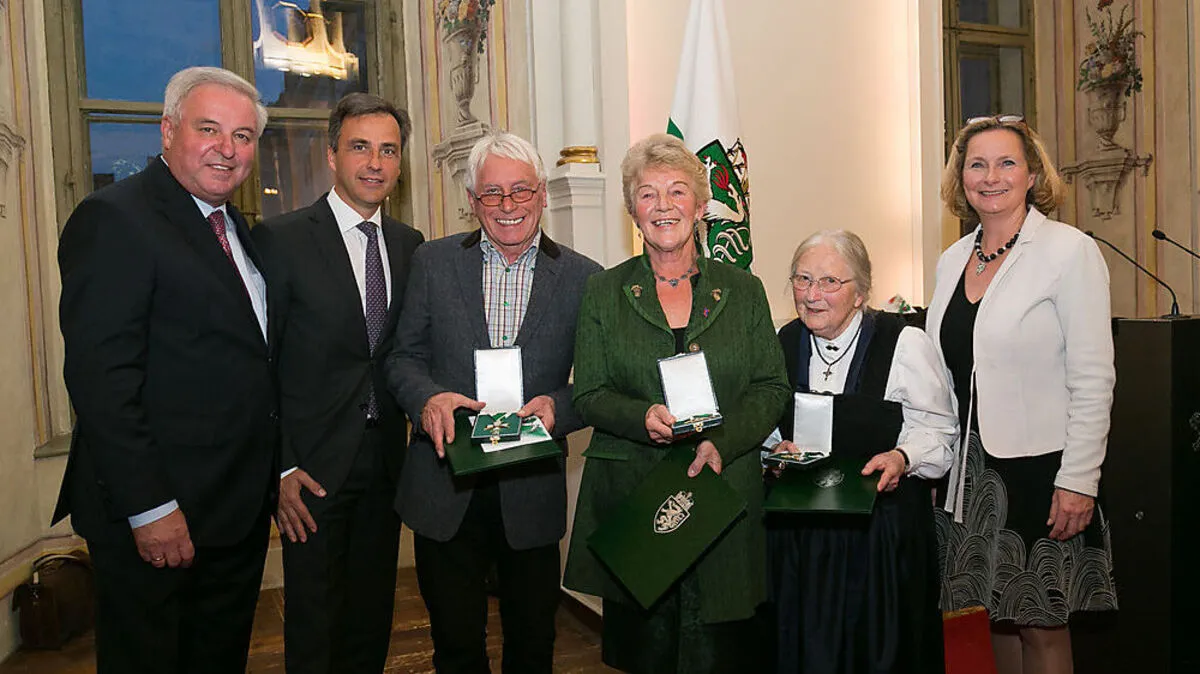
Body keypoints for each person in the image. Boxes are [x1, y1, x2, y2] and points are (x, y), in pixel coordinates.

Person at [54, 66, 275, 673]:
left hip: (232, 514)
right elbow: (103, 383)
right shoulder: (115, 220)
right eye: (209, 129)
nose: (226, 149)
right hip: (156, 517)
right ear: (167, 131)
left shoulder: (235, 228)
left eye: (243, 136)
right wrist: (150, 509)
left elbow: (248, 363)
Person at [562, 133, 790, 673]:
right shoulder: (603, 292)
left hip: (725, 491)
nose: (663, 205)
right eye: (647, 194)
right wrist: (641, 417)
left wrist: (722, 442)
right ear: (631, 210)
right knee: (648, 655)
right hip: (636, 499)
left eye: (677, 191)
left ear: (702, 203)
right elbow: (588, 393)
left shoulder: (745, 288)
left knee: (725, 656)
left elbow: (771, 387)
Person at [385, 130, 601, 673]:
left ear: (542, 194)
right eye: (492, 194)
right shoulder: (432, 263)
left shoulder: (584, 278)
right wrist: (429, 398)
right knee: (456, 647)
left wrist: (559, 406)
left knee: (533, 648)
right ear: (472, 200)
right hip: (445, 485)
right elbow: (401, 358)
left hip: (529, 493)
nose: (508, 207)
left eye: (521, 191)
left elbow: (596, 384)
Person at [928, 115, 1118, 674]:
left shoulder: (1068, 252)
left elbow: (1094, 377)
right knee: (992, 618)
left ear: (1033, 174)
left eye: (1006, 162)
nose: (991, 176)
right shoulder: (950, 261)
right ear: (960, 177)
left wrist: (1079, 479)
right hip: (968, 472)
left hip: (1041, 471)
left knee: (1042, 625)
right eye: (976, 164)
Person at [254, 93, 424, 674]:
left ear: (401, 164)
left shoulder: (410, 245)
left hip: (385, 464)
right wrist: (279, 466)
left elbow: (407, 352)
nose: (375, 163)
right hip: (310, 473)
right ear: (331, 156)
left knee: (373, 615)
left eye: (388, 150)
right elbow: (261, 366)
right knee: (314, 622)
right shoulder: (281, 240)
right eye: (360, 148)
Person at [765, 230, 958, 673]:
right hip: (802, 540)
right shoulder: (784, 340)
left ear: (861, 293)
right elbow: (766, 426)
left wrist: (902, 458)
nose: (812, 295)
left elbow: (941, 430)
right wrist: (775, 451)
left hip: (881, 538)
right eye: (802, 279)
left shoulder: (905, 343)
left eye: (830, 282)